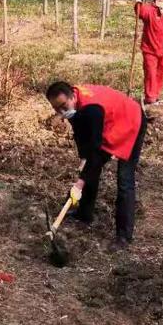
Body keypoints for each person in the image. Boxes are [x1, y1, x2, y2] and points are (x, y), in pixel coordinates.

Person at [45, 81, 147, 251]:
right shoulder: (75, 107)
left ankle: (123, 236)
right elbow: (80, 135)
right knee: (89, 168)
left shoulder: (92, 109)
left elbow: (95, 150)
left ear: (73, 96)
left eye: (64, 106)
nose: (62, 112)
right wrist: (83, 159)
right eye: (57, 109)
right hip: (112, 122)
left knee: (124, 179)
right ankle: (84, 214)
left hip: (131, 121)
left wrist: (80, 183)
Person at [134, 0, 163, 106]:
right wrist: (138, 2)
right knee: (151, 74)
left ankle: (156, 96)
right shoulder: (149, 10)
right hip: (150, 50)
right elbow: (140, 12)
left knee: (161, 73)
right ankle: (150, 98)